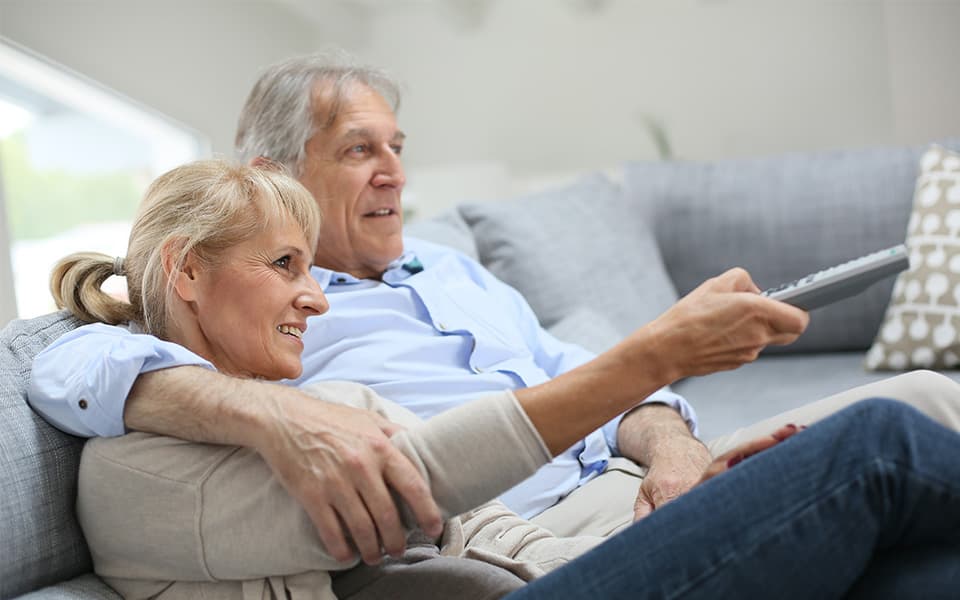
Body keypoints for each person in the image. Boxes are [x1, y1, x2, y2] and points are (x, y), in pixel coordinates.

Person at [28, 51, 960, 566]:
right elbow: (70, 359)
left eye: (398, 145)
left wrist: (677, 455)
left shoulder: (447, 267)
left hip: (636, 491)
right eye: (359, 151)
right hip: (537, 537)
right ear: (276, 175)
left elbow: (574, 378)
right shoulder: (264, 322)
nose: (395, 170)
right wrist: (258, 406)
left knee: (923, 396)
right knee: (892, 435)